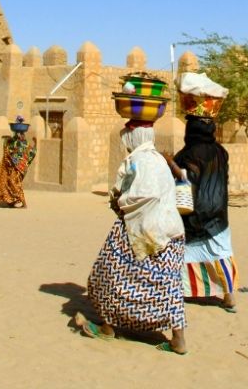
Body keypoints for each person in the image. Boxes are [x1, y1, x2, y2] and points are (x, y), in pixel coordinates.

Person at [73, 120, 188, 354]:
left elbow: (134, 195)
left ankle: (107, 328)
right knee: (167, 285)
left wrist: (119, 202)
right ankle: (178, 339)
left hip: (143, 229)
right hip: (171, 231)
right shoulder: (158, 158)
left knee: (108, 273)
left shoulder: (136, 161)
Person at [164, 116, 238, 312]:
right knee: (221, 251)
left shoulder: (189, 154)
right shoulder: (220, 151)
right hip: (219, 211)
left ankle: (180, 290)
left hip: (194, 213)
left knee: (181, 251)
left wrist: (170, 163)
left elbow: (185, 178)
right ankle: (229, 295)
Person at [0, 127, 37, 208]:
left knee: (14, 183)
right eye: (18, 134)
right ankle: (11, 202)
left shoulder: (24, 144)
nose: (20, 136)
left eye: (21, 134)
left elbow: (32, 153)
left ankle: (24, 203)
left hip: (19, 169)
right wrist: (7, 141)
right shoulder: (15, 143)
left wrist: (35, 143)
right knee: (7, 182)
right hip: (13, 167)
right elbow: (8, 150)